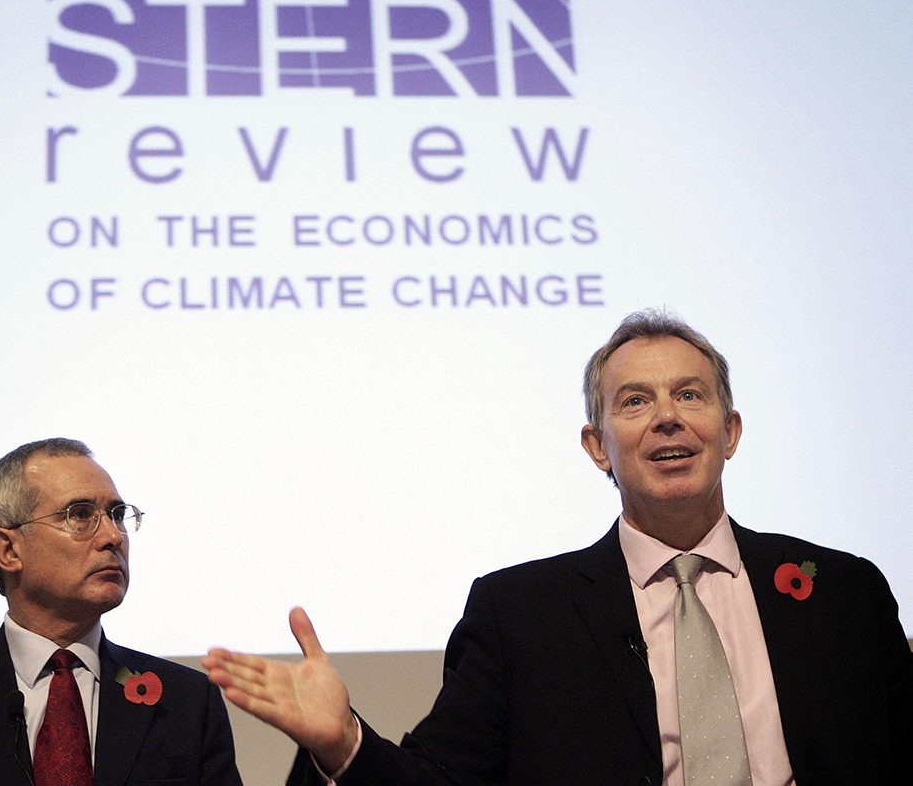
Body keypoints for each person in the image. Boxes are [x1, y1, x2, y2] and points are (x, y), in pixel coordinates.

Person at [203, 310, 912, 785]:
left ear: (730, 432)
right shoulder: (521, 615)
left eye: (690, 395)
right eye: (635, 401)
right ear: (597, 447)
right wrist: (343, 743)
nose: (667, 417)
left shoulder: (844, 593)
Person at [0, 438, 242, 786]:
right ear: (8, 550)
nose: (113, 536)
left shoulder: (187, 703)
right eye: (80, 514)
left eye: (118, 515)